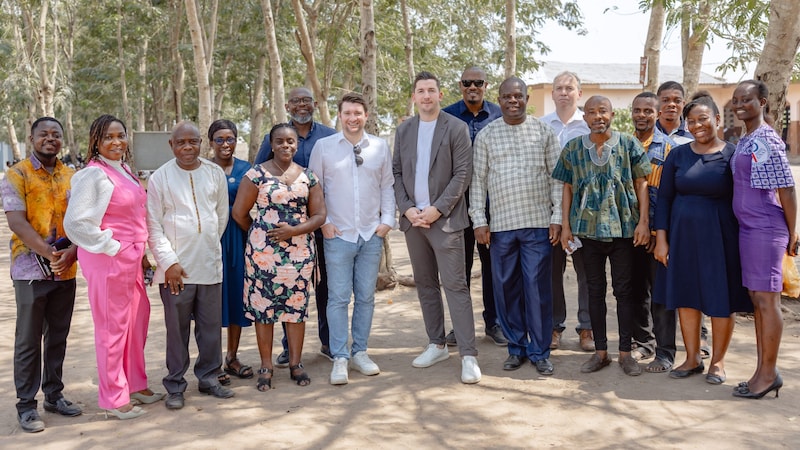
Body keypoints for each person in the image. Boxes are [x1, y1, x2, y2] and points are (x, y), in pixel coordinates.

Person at [63, 115, 160, 420]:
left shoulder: (124, 170)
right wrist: (112, 246)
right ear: (95, 141)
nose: (116, 142)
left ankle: (134, 383)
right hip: (109, 259)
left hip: (131, 258)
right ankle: (113, 399)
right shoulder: (92, 175)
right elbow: (75, 223)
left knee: (136, 319)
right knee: (112, 328)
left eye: (121, 135)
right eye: (108, 137)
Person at [653, 93, 751, 385]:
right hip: (682, 239)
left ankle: (718, 362)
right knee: (686, 298)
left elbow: (745, 199)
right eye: (691, 121)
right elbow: (666, 199)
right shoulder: (678, 156)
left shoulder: (732, 155)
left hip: (721, 239)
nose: (697, 125)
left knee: (720, 299)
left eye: (703, 119)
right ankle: (692, 358)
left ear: (718, 120)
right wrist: (662, 240)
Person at [552, 96, 651, 377]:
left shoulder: (628, 144)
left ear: (612, 114)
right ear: (584, 117)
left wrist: (643, 222)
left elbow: (642, 184)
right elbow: (568, 187)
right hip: (587, 231)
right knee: (594, 290)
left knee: (624, 292)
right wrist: (567, 226)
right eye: (592, 112)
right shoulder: (573, 148)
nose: (598, 116)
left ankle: (624, 353)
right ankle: (601, 352)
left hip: (623, 230)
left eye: (603, 111)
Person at [393, 71, 481, 384]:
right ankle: (436, 344)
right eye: (421, 91)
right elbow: (398, 173)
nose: (427, 96)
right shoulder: (404, 130)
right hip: (413, 222)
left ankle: (468, 355)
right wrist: (408, 209)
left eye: (432, 90)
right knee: (426, 285)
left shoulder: (455, 128)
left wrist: (436, 209)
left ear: (440, 95)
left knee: (455, 286)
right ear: (414, 97)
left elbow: (462, 175)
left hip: (445, 221)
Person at [470, 77, 562, 375]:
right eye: (507, 96)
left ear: (526, 99)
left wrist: (557, 217)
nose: (513, 101)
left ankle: (540, 351)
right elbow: (478, 181)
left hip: (537, 225)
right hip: (501, 227)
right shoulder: (487, 135)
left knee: (537, 290)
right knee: (506, 289)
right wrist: (479, 221)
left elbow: (557, 179)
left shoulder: (543, 132)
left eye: (518, 96)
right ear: (499, 99)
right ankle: (516, 347)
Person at [1, 117, 82, 432]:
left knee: (58, 337)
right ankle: (26, 406)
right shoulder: (16, 174)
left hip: (66, 269)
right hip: (30, 270)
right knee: (28, 340)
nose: (51, 139)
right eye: (44, 134)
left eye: (56, 134)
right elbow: (17, 222)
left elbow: (80, 220)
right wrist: (49, 253)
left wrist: (71, 251)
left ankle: (54, 395)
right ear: (31, 137)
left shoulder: (71, 176)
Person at [308, 93, 395, 385]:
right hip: (338, 235)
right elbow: (314, 188)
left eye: (358, 112)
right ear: (340, 116)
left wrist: (386, 222)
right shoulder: (324, 147)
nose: (353, 118)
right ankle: (340, 357)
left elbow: (387, 186)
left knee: (366, 297)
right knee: (338, 298)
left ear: (366, 115)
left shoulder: (380, 147)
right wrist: (325, 224)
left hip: (371, 234)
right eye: (347, 113)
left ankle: (360, 352)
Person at [146, 121, 234, 410]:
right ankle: (175, 384)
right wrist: (169, 263)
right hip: (176, 271)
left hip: (209, 265)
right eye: (181, 142)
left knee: (210, 329)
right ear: (171, 145)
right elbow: (153, 226)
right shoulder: (160, 178)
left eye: (192, 142)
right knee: (177, 330)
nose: (187, 147)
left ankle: (209, 377)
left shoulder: (214, 173)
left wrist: (206, 244)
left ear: (200, 144)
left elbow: (221, 216)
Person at [232, 123, 326, 390]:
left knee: (295, 310)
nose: (286, 146)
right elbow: (239, 213)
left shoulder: (309, 177)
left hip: (299, 254)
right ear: (271, 145)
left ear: (297, 145)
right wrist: (261, 236)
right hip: (264, 256)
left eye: (291, 142)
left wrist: (294, 231)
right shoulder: (256, 175)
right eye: (280, 141)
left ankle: (296, 364)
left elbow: (320, 215)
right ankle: (266, 365)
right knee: (265, 311)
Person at [255, 87, 336, 365]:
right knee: (282, 290)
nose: (302, 105)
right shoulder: (276, 136)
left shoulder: (329, 136)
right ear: (288, 106)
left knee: (324, 287)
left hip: (321, 224)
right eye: (296, 101)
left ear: (314, 103)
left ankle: (328, 342)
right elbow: (259, 177)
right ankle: (289, 349)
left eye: (306, 100)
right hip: (282, 235)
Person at [730, 80, 797, 399]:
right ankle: (762, 371)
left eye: (747, 99)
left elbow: (786, 188)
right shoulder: (748, 137)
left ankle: (768, 374)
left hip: (766, 228)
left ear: (764, 102)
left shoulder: (767, 138)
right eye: (736, 100)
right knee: (758, 302)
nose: (740, 104)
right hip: (749, 229)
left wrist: (793, 232)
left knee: (767, 302)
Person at [442, 67, 506, 347]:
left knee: (494, 269)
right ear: (460, 85)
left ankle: (495, 323)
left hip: (493, 206)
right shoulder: (447, 116)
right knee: (460, 269)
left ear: (485, 85)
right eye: (467, 82)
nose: (472, 87)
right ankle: (461, 325)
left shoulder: (500, 114)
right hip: (456, 206)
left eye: (478, 83)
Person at [540, 71, 593, 352]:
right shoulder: (541, 126)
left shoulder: (588, 125)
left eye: (569, 88)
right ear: (552, 94)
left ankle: (587, 328)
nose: (564, 92)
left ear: (579, 93)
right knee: (552, 272)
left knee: (587, 272)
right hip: (550, 212)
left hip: (584, 213)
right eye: (559, 88)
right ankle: (553, 327)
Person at [628, 93, 678, 373]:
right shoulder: (623, 145)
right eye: (637, 110)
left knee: (661, 295)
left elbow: (670, 196)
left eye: (648, 110)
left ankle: (665, 351)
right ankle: (642, 343)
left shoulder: (669, 149)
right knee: (635, 292)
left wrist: (660, 233)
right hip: (630, 232)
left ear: (657, 114)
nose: (642, 115)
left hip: (658, 233)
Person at [208, 119, 254, 384]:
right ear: (211, 142)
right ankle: (212, 363)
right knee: (211, 301)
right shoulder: (203, 168)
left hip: (238, 238)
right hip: (210, 239)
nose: (225, 144)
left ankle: (232, 357)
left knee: (236, 296)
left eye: (230, 139)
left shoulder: (246, 169)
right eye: (220, 140)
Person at [656, 81, 694, 146]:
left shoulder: (694, 133)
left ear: (683, 104)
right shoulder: (647, 132)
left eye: (677, 101)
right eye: (665, 100)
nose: (671, 104)